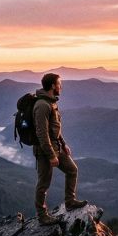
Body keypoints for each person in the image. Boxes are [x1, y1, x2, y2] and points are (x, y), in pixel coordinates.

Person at [33, 73, 87, 223]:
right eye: (59, 84)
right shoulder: (42, 105)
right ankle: (42, 215)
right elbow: (42, 133)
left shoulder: (51, 103)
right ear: (52, 86)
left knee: (72, 170)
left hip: (57, 147)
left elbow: (55, 128)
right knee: (44, 183)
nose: (61, 87)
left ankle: (70, 201)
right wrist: (51, 155)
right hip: (45, 151)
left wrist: (63, 144)